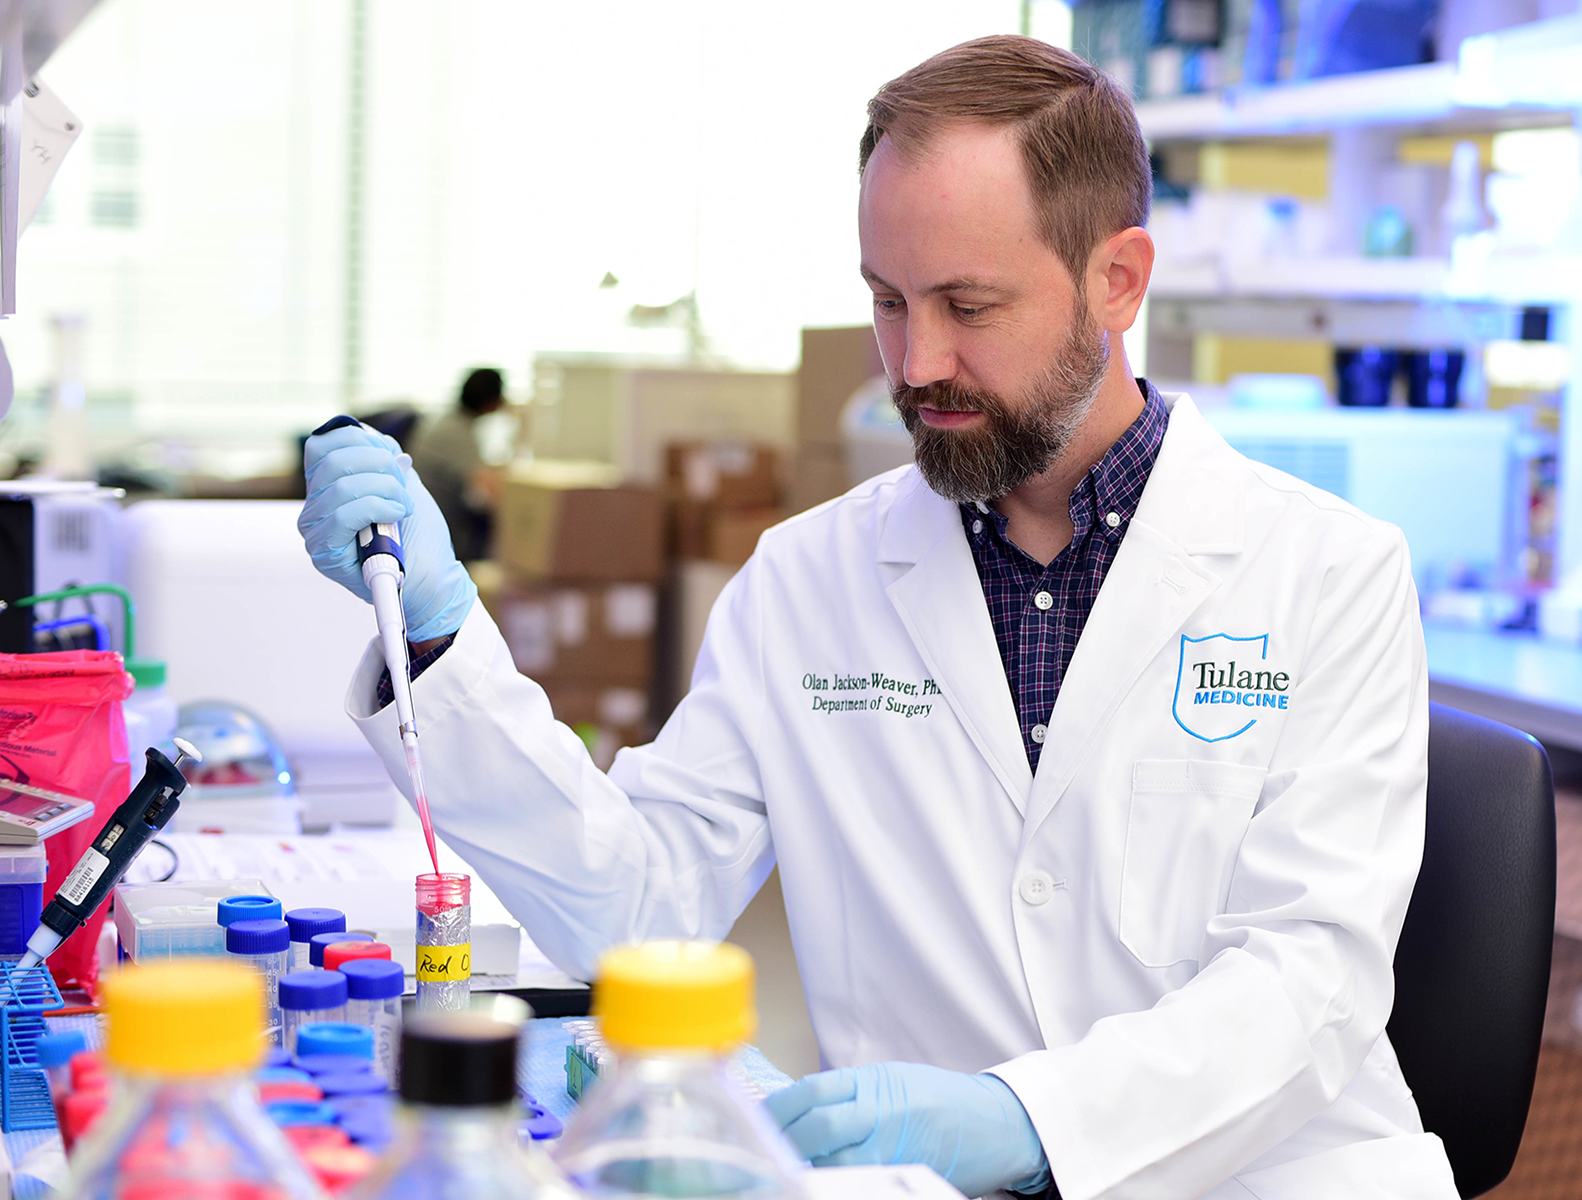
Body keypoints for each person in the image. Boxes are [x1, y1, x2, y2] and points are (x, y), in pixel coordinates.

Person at [297, 36, 1456, 1200]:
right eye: (887, 301)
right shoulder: (809, 579)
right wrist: (440, 634)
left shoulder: (1326, 574)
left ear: (1118, 279)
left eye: (968, 303)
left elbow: (1311, 981)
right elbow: (640, 903)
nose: (916, 362)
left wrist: (1025, 1117)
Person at [410, 367, 506, 562]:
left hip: (418, 520)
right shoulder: (460, 434)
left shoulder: (444, 420)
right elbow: (490, 492)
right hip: (438, 530)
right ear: (492, 400)